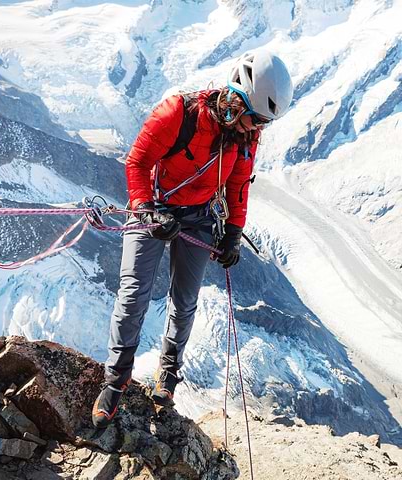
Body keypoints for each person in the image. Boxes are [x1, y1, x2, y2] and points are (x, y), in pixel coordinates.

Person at [92, 49, 294, 428]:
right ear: (237, 99)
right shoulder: (177, 114)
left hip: (199, 215)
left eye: (263, 124)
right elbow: (137, 162)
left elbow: (237, 186)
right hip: (155, 208)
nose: (257, 130)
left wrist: (233, 232)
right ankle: (115, 380)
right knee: (134, 294)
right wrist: (146, 208)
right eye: (255, 119)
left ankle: (167, 376)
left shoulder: (245, 136)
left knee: (184, 300)